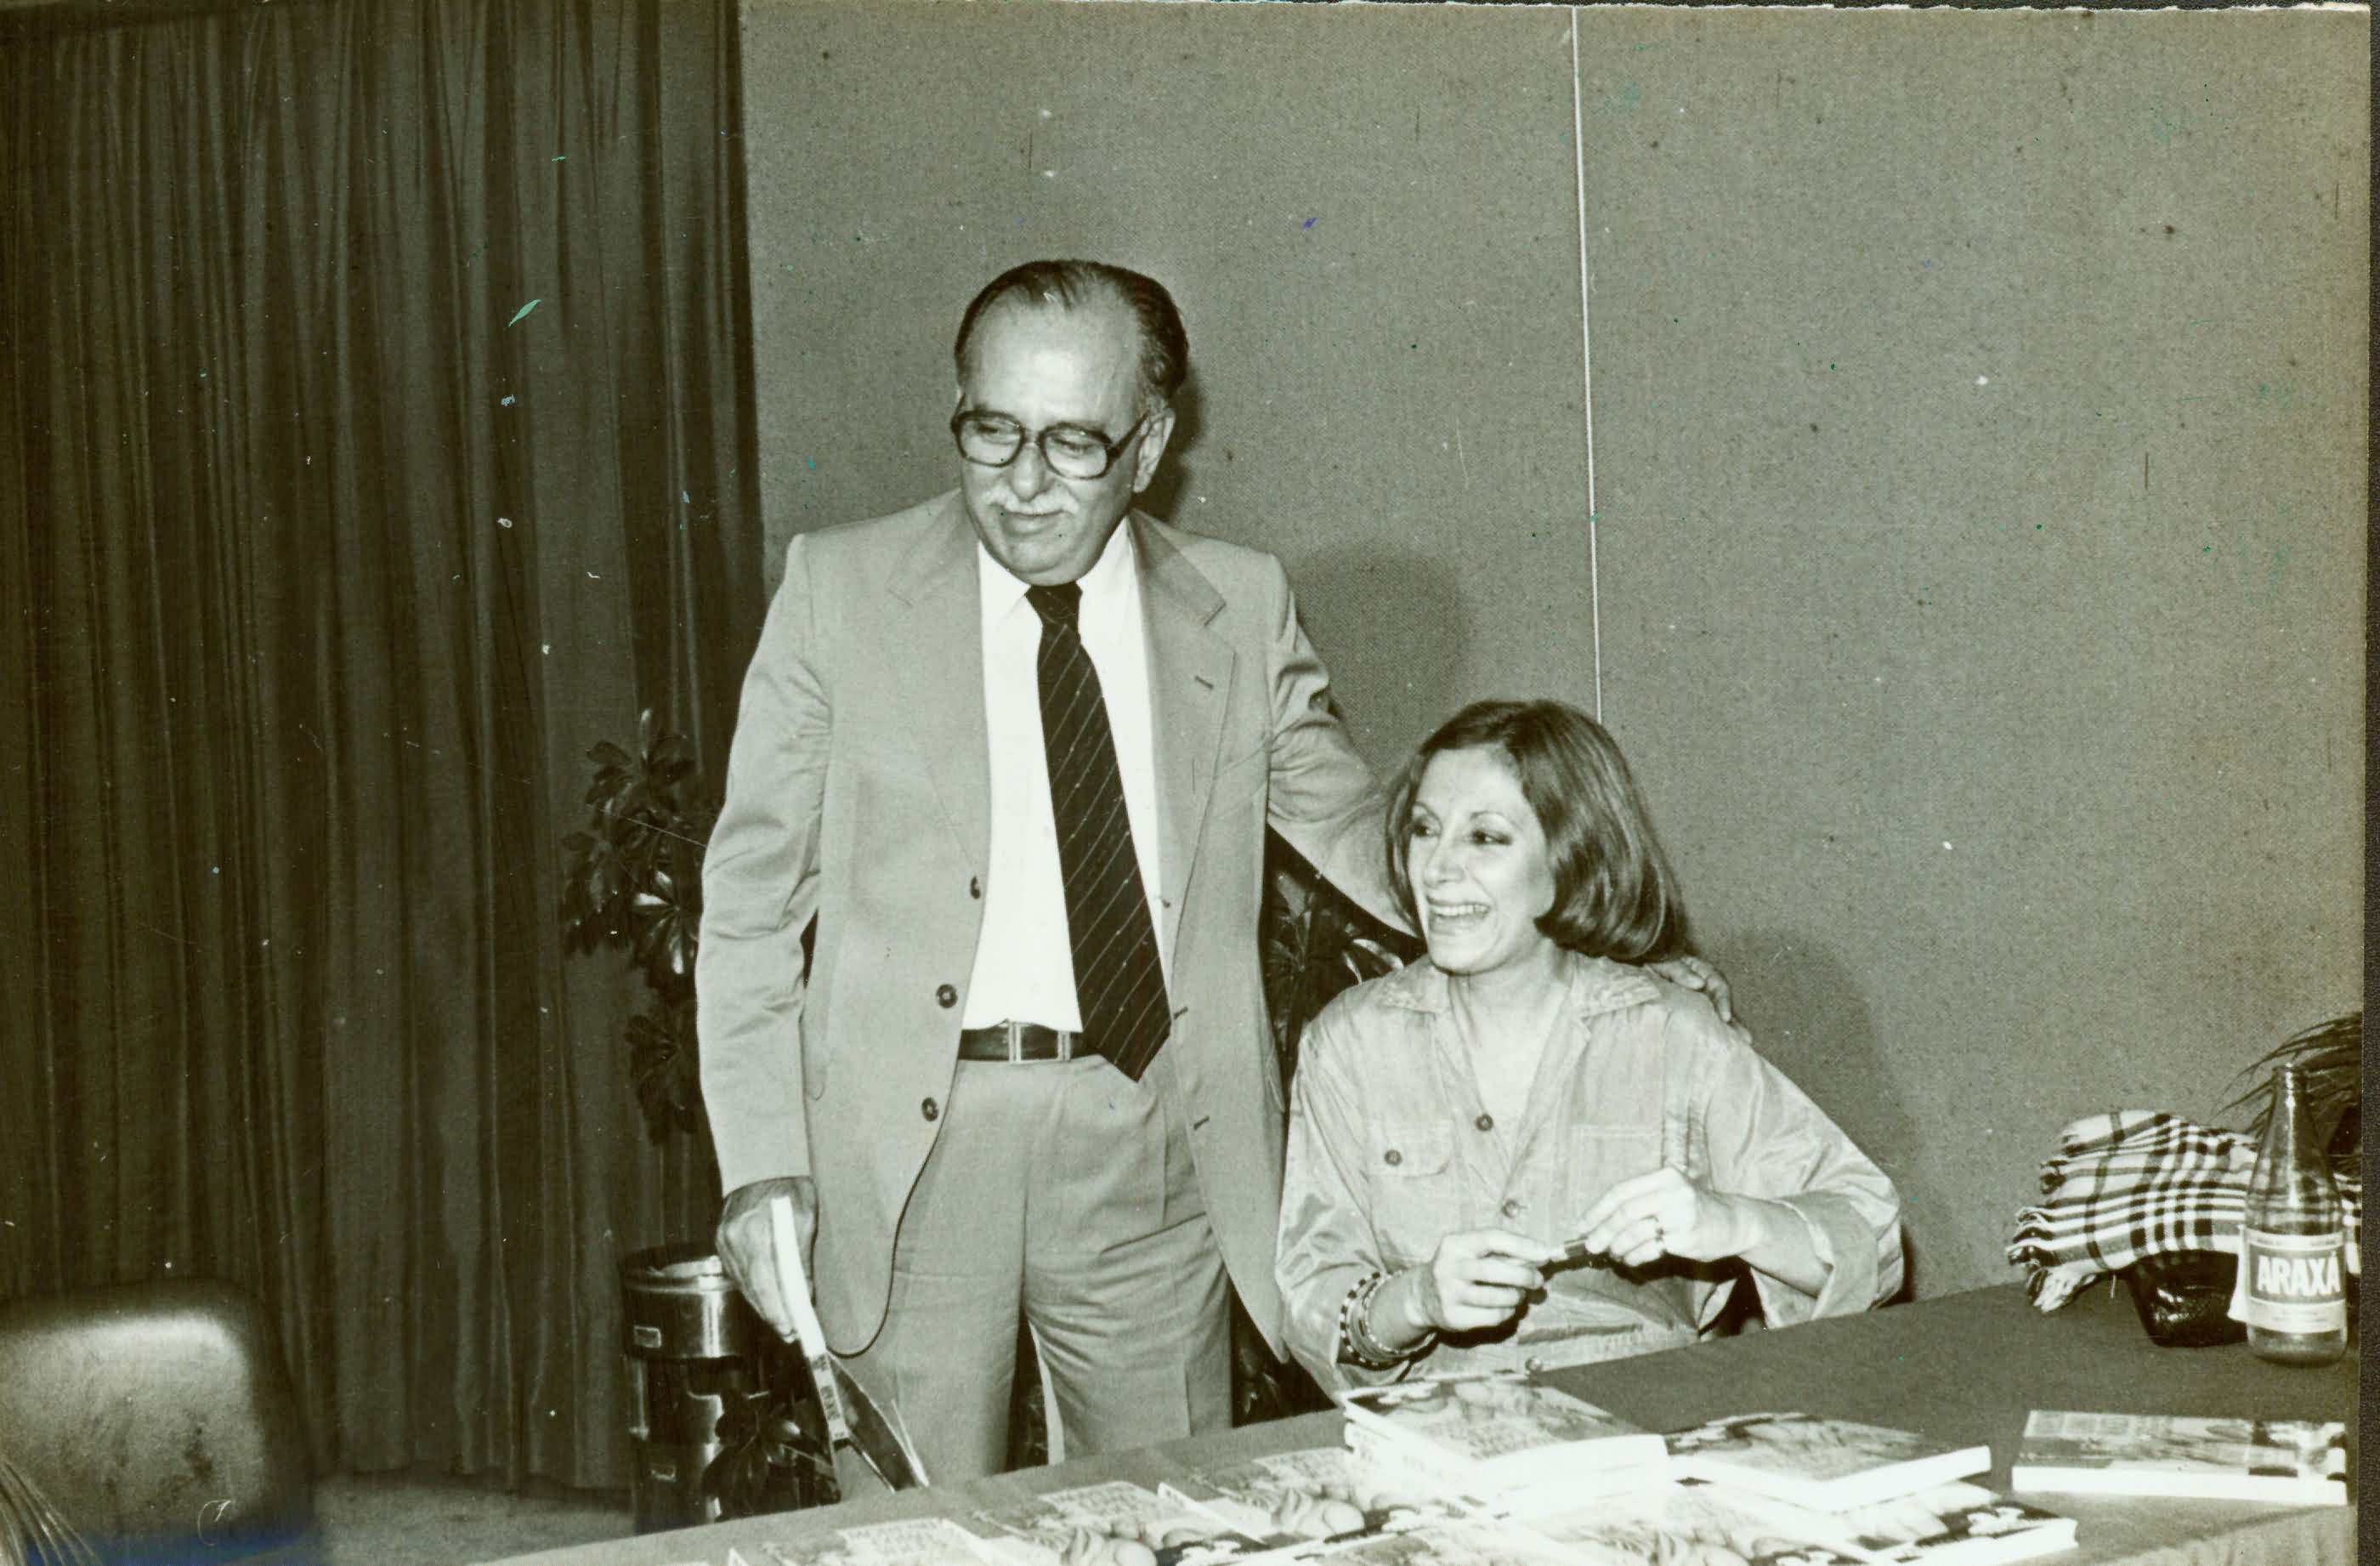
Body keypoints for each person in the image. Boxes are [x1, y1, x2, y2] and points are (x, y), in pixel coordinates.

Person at [697, 261, 1727, 1482]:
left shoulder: (1238, 602)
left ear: (1148, 446)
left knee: (1168, 1510)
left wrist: (1604, 954)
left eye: (1074, 443)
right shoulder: (840, 590)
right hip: (910, 1155)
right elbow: (751, 905)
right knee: (915, 1531)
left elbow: (1358, 829)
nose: (1023, 482)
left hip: (1153, 1144)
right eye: (991, 431)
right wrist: (762, 1165)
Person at [1275, 699, 1901, 1388]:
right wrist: (1416, 1301)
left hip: (1645, 1415)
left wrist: (1734, 1222)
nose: (1437, 869)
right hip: (1435, 1426)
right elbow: (1312, 1297)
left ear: (1568, 857)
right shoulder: (1351, 1042)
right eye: (1426, 829)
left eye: (1485, 838)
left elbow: (1870, 1237)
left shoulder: (1671, 1033)